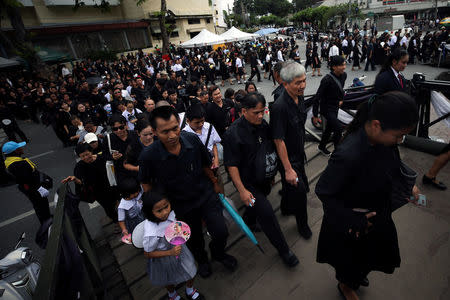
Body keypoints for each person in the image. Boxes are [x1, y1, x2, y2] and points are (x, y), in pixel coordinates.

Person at [315, 91, 420, 300]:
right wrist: (354, 219)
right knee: (350, 260)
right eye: (398, 135)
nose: (400, 141)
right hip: (354, 222)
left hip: (377, 213)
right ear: (376, 125)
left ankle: (355, 277)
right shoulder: (348, 154)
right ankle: (346, 285)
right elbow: (323, 191)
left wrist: (407, 184)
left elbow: (392, 162)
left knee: (370, 258)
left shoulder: (382, 142)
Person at [138, 106, 237, 278]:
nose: (172, 136)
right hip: (179, 206)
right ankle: (203, 261)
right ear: (154, 132)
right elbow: (145, 183)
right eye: (165, 131)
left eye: (175, 128)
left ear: (180, 124)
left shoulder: (191, 139)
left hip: (205, 195)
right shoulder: (148, 156)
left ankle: (218, 252)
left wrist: (215, 183)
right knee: (193, 239)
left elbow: (206, 164)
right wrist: (155, 207)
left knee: (221, 231)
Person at [223, 92, 299, 268]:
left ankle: (249, 219)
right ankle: (284, 250)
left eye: (262, 111)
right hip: (248, 183)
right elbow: (232, 166)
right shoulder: (233, 134)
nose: (260, 116)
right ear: (243, 111)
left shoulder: (263, 124)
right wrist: (241, 190)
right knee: (267, 214)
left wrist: (272, 174)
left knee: (257, 205)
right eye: (255, 112)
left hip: (264, 179)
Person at [270, 61, 312, 239]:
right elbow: (279, 140)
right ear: (285, 83)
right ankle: (303, 225)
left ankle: (286, 208)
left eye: (303, 81)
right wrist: (287, 169)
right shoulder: (279, 107)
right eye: (297, 83)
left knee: (292, 187)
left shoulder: (299, 96)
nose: (302, 85)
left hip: (298, 152)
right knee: (301, 191)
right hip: (287, 158)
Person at [142, 189, 205, 300]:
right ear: (149, 211)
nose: (165, 212)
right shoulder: (151, 233)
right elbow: (147, 253)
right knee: (168, 279)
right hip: (164, 257)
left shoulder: (171, 213)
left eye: (166, 206)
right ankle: (172, 294)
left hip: (179, 248)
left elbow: (176, 224)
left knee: (191, 269)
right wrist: (169, 252)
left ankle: (189, 290)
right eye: (159, 211)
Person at [63, 143, 119, 222]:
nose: (86, 157)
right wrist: (75, 179)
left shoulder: (102, 158)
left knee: (118, 202)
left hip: (112, 186)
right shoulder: (79, 167)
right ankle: (117, 222)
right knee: (108, 209)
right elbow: (81, 183)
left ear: (91, 152)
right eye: (82, 156)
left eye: (87, 154)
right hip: (98, 192)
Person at [3, 141, 51, 224]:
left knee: (39, 205)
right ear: (15, 151)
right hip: (33, 188)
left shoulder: (11, 162)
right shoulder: (18, 164)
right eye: (19, 147)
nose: (22, 148)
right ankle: (46, 222)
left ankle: (46, 218)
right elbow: (27, 179)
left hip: (29, 187)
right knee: (41, 205)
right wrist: (39, 188)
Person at [313, 55, 348, 155]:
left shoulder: (344, 75)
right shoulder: (326, 80)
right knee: (338, 128)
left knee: (329, 128)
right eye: (341, 65)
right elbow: (317, 97)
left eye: (344, 64)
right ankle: (337, 153)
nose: (344, 67)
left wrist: (341, 99)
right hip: (326, 108)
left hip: (335, 106)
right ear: (334, 67)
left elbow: (341, 89)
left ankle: (321, 146)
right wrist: (315, 115)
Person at [183, 104, 221, 170]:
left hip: (211, 162)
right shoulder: (185, 134)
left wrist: (216, 158)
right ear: (188, 121)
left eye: (202, 121)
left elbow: (213, 144)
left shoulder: (209, 127)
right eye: (197, 122)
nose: (201, 124)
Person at [117, 177, 144, 245]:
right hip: (133, 222)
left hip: (143, 215)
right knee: (138, 233)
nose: (137, 193)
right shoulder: (122, 205)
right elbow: (121, 220)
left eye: (138, 191)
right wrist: (124, 229)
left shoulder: (138, 193)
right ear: (126, 193)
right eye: (134, 193)